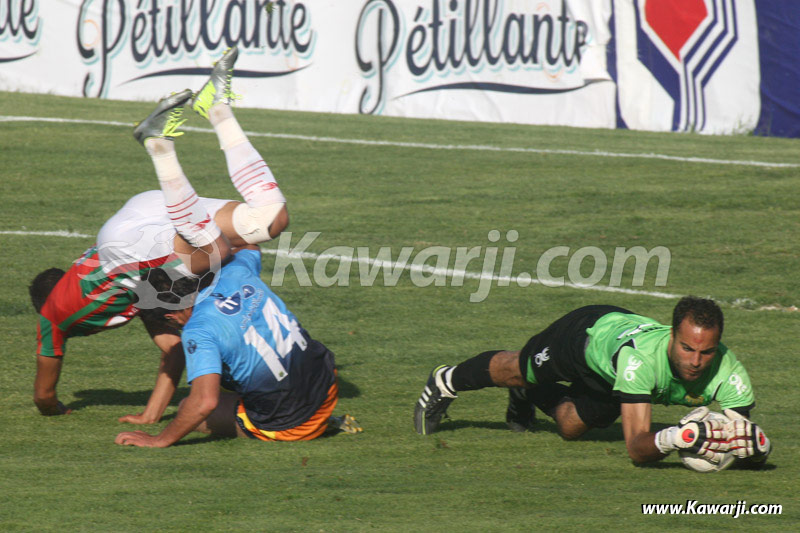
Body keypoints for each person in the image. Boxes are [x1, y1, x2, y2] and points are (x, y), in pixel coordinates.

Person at [29, 47, 288, 423]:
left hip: (127, 248)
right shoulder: (135, 295)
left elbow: (43, 396)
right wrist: (151, 415)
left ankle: (160, 146)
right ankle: (217, 109)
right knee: (269, 220)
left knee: (217, 250)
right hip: (143, 212)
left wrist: (56, 409)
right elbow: (173, 350)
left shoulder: (52, 316)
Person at [413, 297, 771, 465]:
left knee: (570, 428)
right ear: (672, 335)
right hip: (583, 340)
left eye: (706, 352)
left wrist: (757, 449)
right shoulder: (640, 360)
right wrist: (677, 437)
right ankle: (446, 380)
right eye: (686, 348)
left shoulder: (731, 374)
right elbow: (637, 449)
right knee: (519, 369)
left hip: (613, 374)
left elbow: (740, 438)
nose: (695, 361)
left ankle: (526, 394)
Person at [115, 246, 361, 447]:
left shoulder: (197, 330)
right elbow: (249, 244)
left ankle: (312, 423)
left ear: (170, 316)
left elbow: (204, 403)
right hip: (327, 384)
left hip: (293, 423)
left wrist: (159, 440)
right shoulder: (234, 270)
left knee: (189, 410)